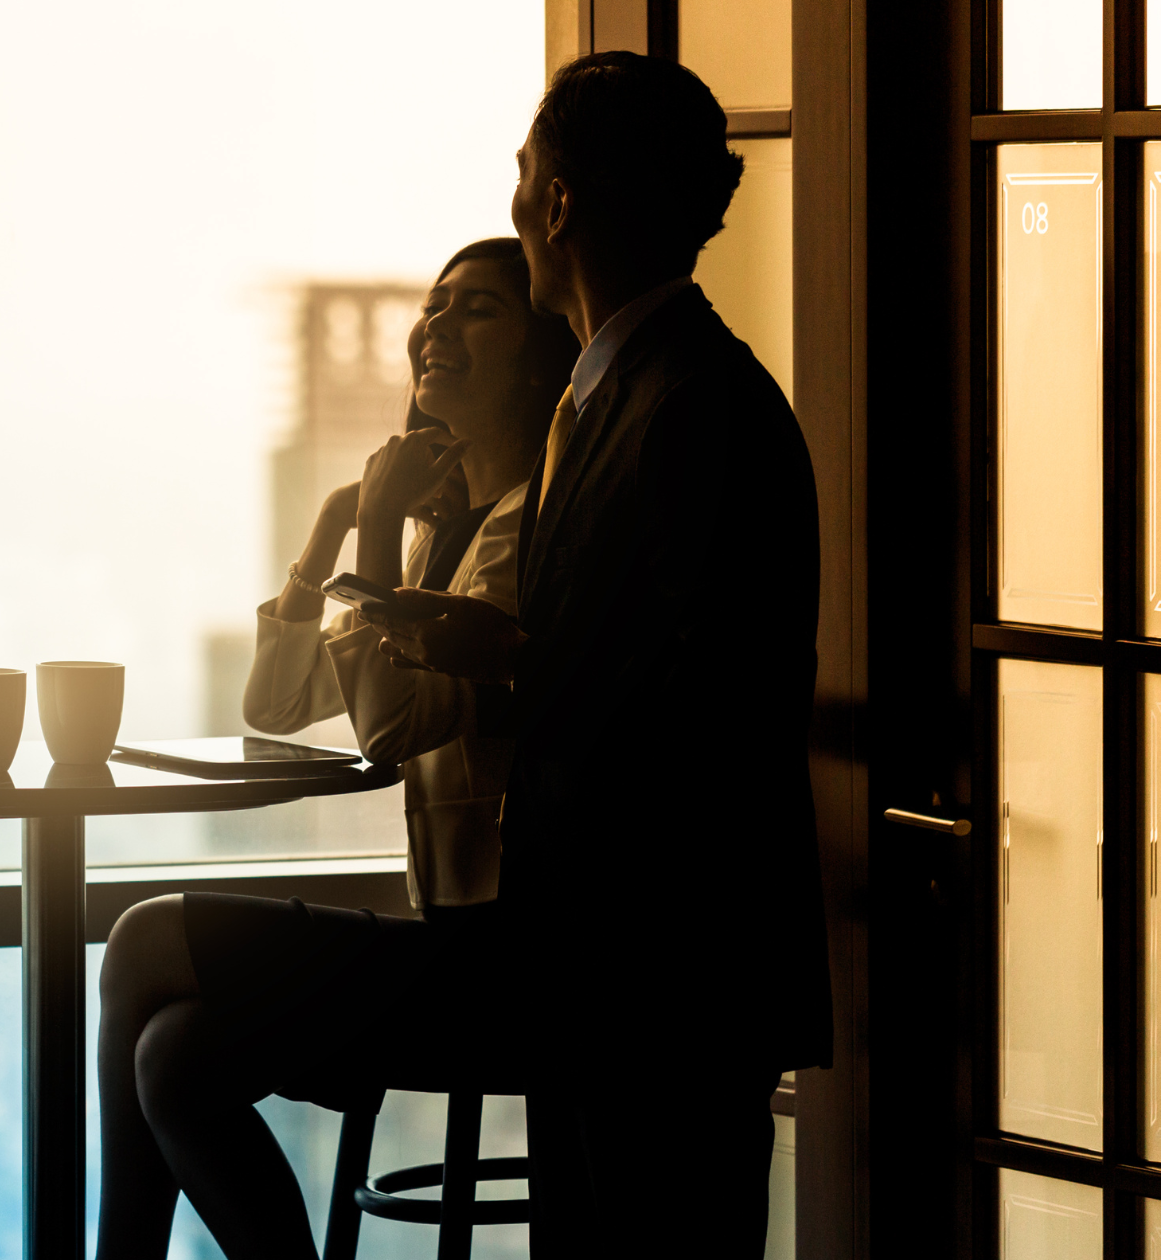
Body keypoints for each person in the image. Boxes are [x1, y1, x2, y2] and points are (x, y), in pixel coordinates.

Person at [368, 51, 830, 1255]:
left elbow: (665, 695)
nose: (515, 202)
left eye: (524, 174)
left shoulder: (684, 404)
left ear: (559, 202)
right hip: (616, 958)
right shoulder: (624, 394)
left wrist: (503, 658)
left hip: (664, 960)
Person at [92, 239, 576, 1260]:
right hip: (453, 944)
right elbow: (271, 704)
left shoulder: (525, 532)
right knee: (174, 1057)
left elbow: (398, 726)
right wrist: (327, 535)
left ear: (538, 356)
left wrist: (373, 528)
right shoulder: (445, 532)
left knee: (140, 938)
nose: (434, 327)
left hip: (508, 961)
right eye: (433, 305)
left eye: (476, 309)